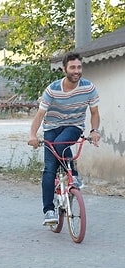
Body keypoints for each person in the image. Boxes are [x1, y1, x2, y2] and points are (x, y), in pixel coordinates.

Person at [27, 52, 101, 226]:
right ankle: (49, 211)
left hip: (73, 126)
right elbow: (39, 115)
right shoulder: (52, 89)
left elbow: (95, 113)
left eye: (79, 67)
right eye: (72, 67)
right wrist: (32, 135)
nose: (77, 71)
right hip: (51, 127)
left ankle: (73, 175)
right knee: (49, 169)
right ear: (64, 69)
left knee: (62, 145)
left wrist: (95, 130)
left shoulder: (88, 88)